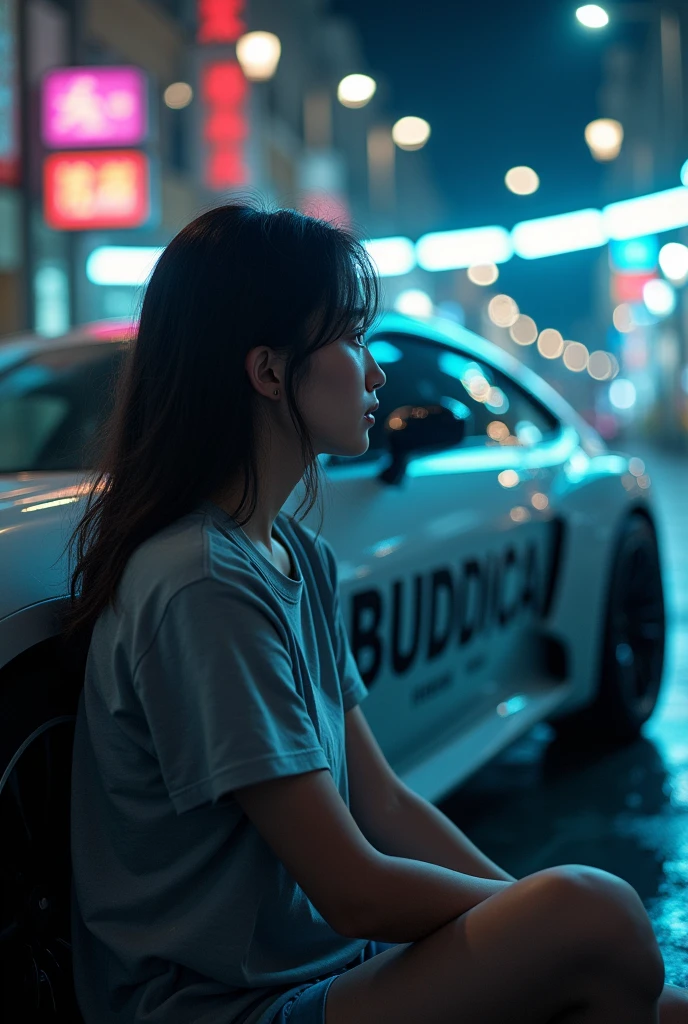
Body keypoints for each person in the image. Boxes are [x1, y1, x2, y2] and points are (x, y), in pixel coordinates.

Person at [63, 199, 688, 1024]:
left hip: (320, 966)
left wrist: (534, 920)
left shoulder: (293, 553)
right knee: (599, 920)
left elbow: (383, 802)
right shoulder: (200, 584)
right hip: (219, 1008)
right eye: (354, 339)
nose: (375, 371)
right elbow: (354, 890)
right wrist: (554, 922)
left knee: (631, 974)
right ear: (269, 371)